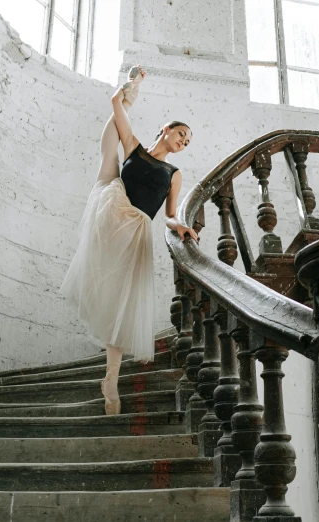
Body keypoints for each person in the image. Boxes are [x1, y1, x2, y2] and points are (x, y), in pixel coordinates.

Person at [60, 65, 197, 415]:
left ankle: (111, 379)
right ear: (165, 129)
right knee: (110, 158)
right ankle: (109, 377)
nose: (183, 142)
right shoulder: (135, 146)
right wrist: (130, 87)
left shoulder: (174, 174)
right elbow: (113, 105)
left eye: (187, 141)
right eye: (181, 133)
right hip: (112, 210)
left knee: (122, 306)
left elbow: (167, 214)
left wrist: (179, 226)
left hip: (135, 231)